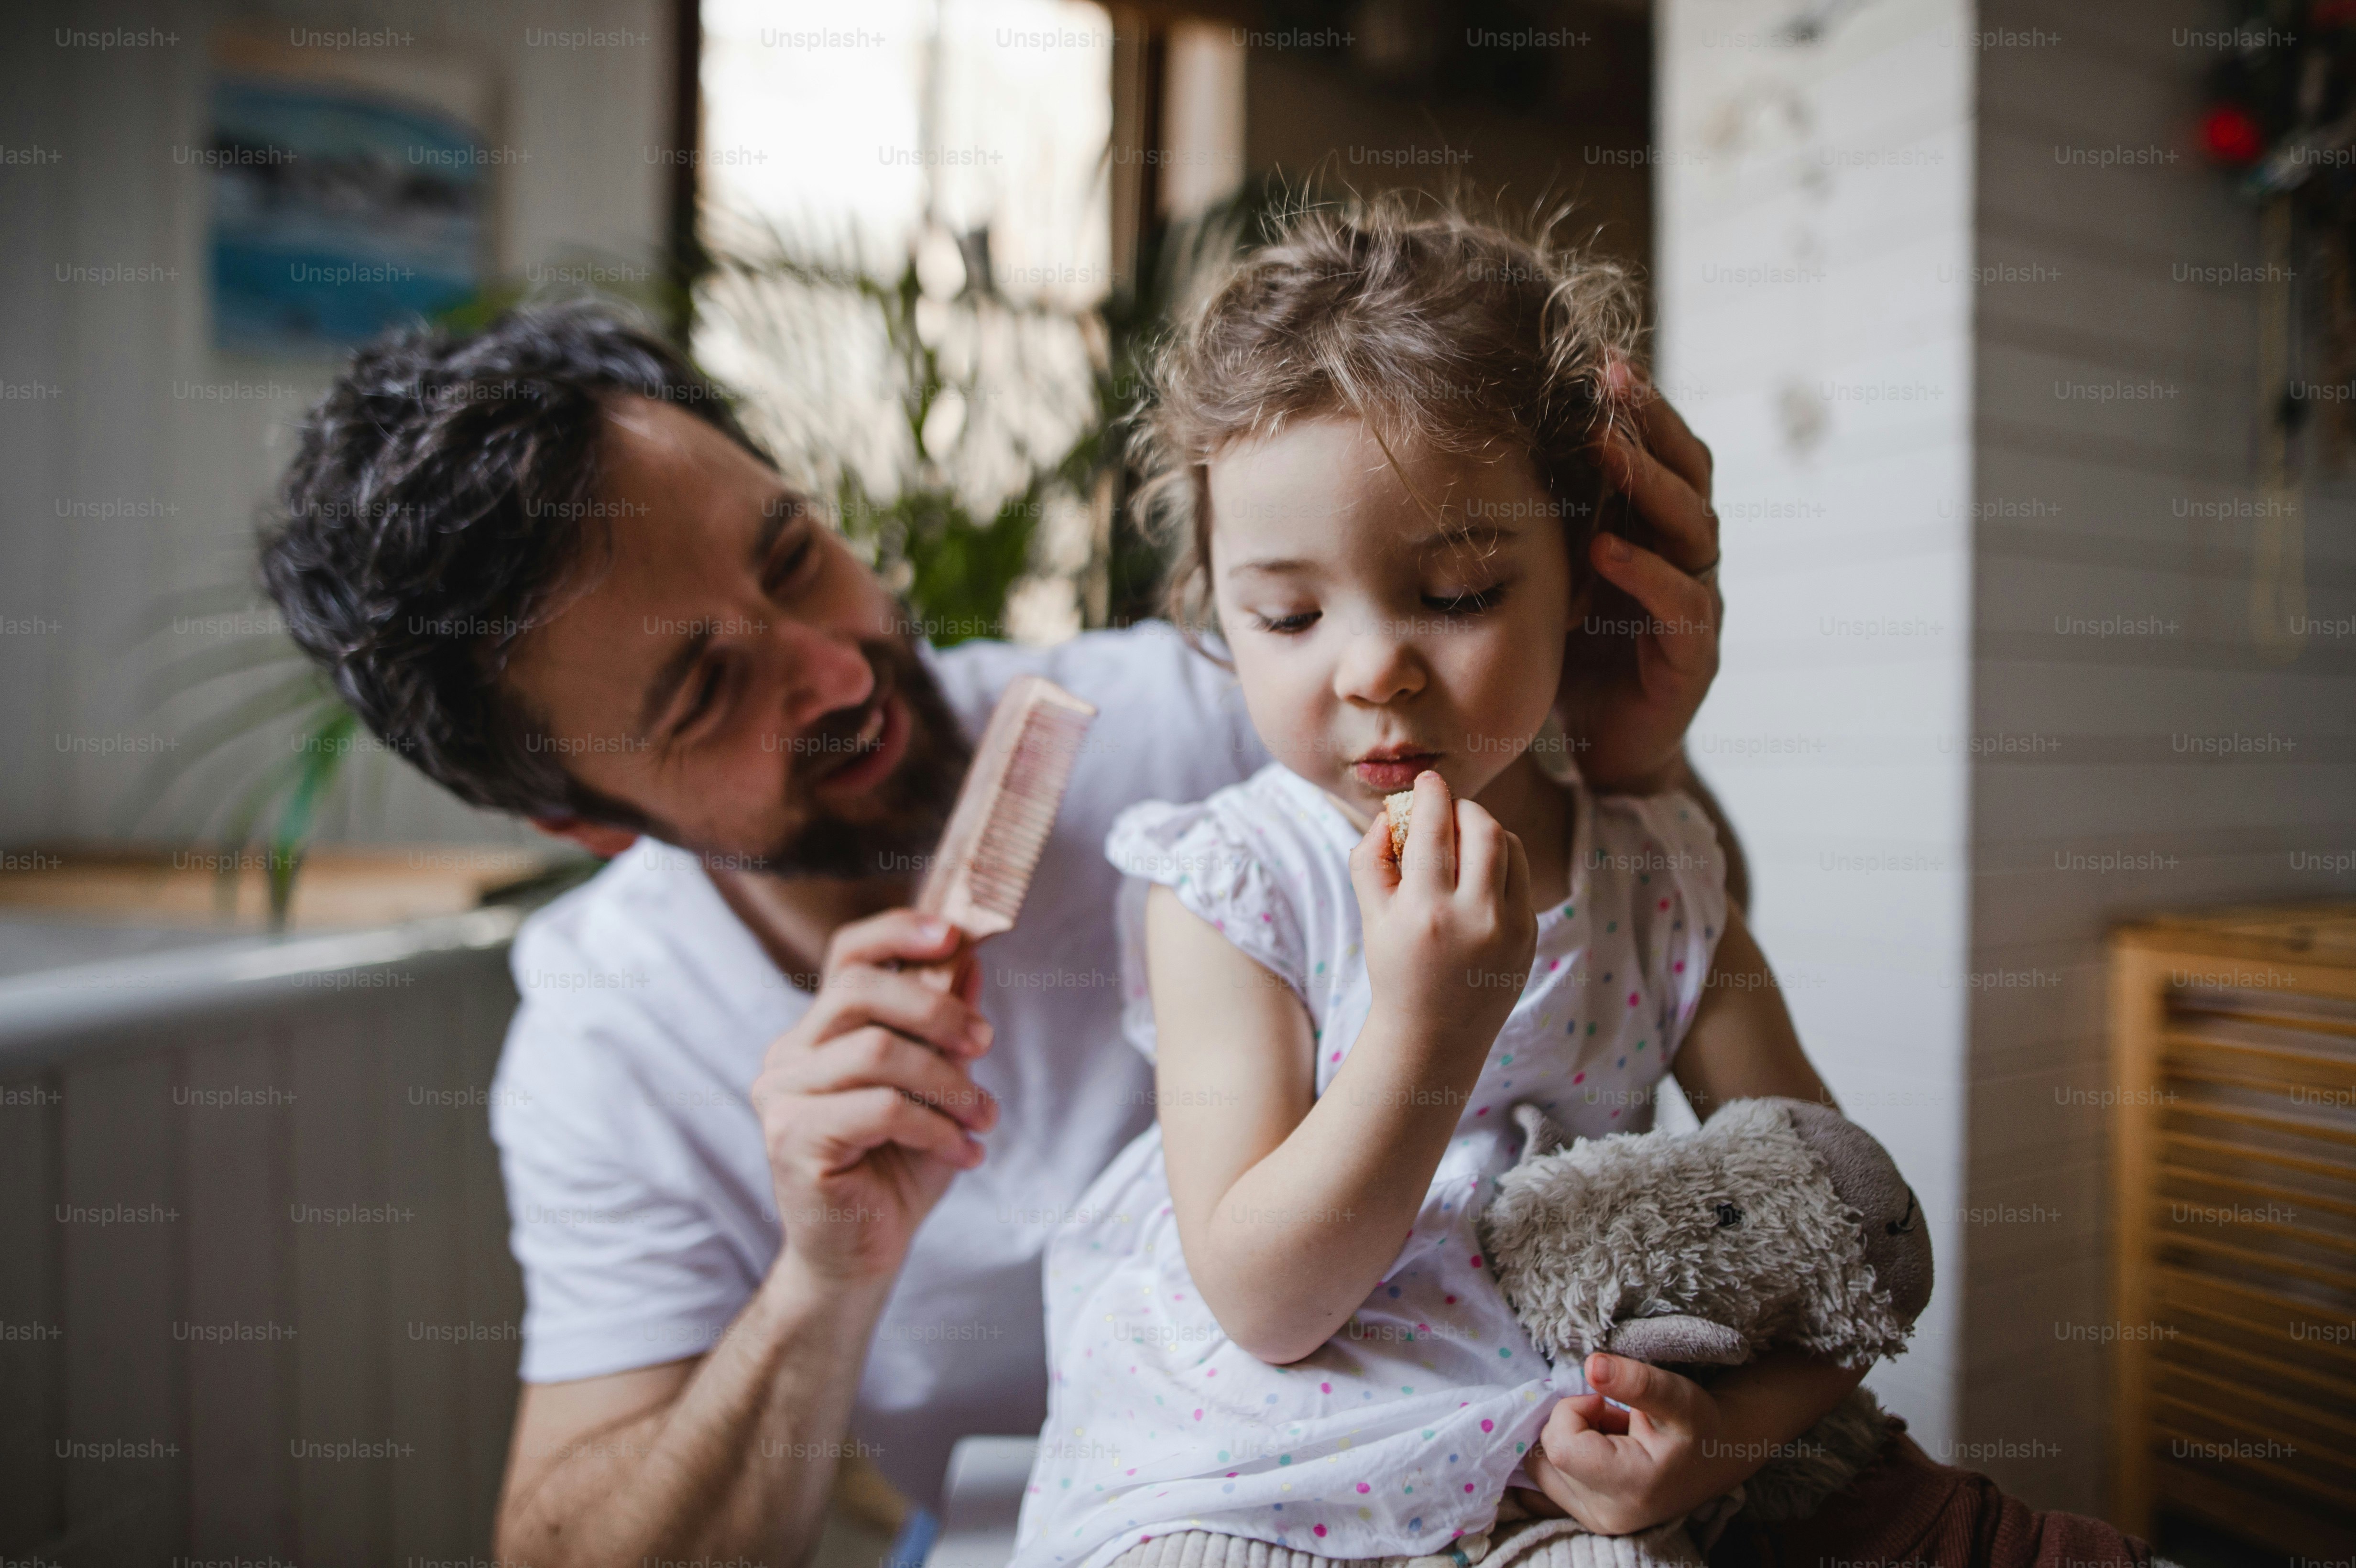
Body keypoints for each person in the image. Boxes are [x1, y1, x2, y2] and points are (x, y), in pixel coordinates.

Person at [258, 291, 1726, 1566]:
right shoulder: (610, 1035)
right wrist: (820, 1282)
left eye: (790, 557)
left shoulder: (1215, 712)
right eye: (706, 693)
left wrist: (1633, 763)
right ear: (583, 818)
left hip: (1470, 1465)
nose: (838, 672)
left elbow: (1633, 937)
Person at [1013, 206, 1855, 1568]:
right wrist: (1427, 1029)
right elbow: (1267, 1305)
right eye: (1289, 616)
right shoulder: (1235, 886)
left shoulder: (1656, 875)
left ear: (1586, 576)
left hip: (1548, 1460)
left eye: (1459, 593)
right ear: (1215, 608)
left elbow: (1845, 1240)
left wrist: (1731, 1437)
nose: (1371, 671)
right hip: (1241, 1457)